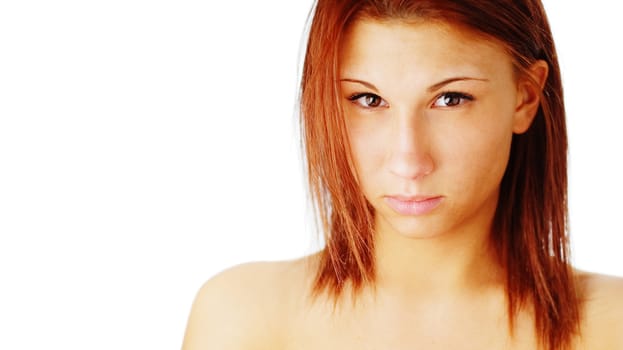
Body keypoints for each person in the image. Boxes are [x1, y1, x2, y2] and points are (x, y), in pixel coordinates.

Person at [181, 1, 623, 349]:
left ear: (525, 97)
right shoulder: (244, 317)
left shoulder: (610, 325)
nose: (409, 161)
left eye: (450, 99)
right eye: (368, 100)